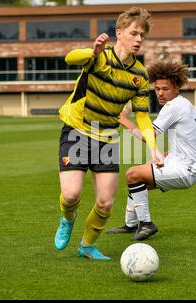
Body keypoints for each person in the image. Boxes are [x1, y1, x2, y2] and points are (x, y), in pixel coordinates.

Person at [53, 7, 163, 260]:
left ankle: (87, 247)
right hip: (78, 130)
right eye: (134, 33)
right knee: (71, 195)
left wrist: (153, 147)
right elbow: (70, 58)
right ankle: (67, 219)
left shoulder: (140, 75)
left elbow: (143, 115)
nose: (139, 39)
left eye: (142, 36)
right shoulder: (99, 57)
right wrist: (92, 51)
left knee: (105, 202)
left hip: (106, 138)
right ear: (119, 33)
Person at [106, 60, 196, 241]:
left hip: (186, 170)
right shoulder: (184, 104)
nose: (160, 93)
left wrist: (122, 119)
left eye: (165, 89)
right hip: (184, 164)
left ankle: (146, 224)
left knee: (132, 174)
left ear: (177, 87)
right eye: (157, 88)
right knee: (139, 179)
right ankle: (130, 225)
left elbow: (147, 136)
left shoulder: (173, 106)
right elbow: (189, 142)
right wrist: (165, 155)